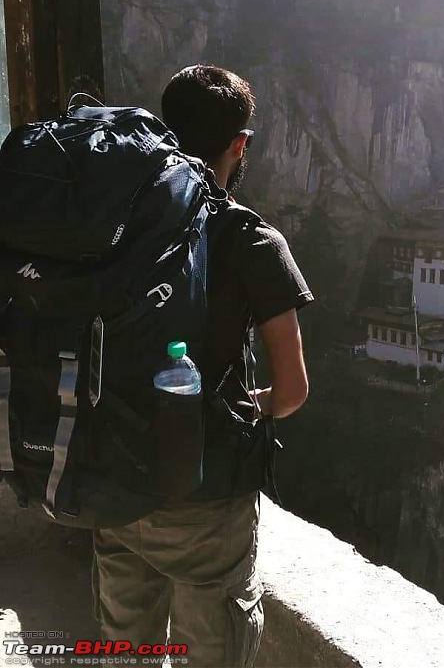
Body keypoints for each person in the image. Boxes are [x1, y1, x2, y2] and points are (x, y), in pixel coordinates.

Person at [92, 65, 313, 667]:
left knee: (122, 653)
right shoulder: (253, 240)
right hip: (206, 495)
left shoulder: (114, 229)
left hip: (113, 477)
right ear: (239, 145)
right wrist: (245, 405)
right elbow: (291, 390)